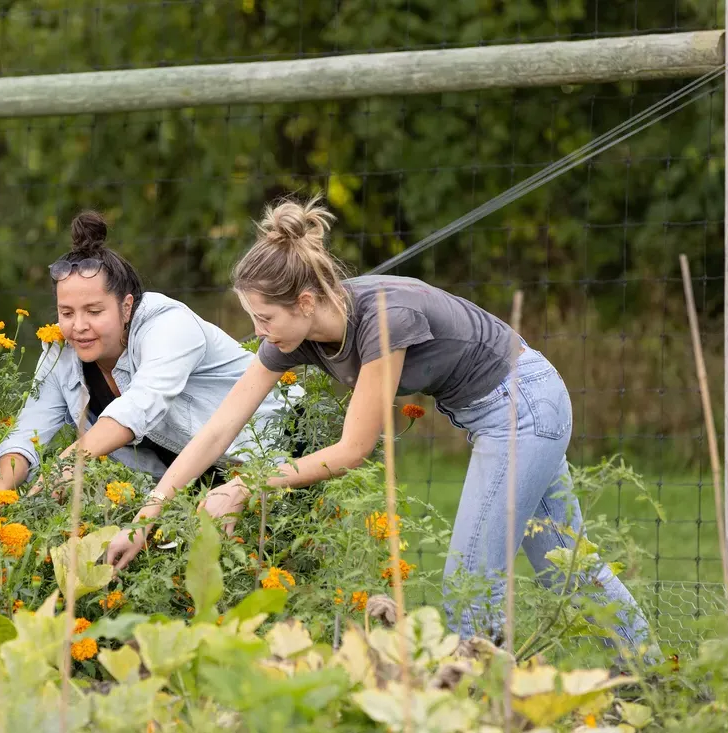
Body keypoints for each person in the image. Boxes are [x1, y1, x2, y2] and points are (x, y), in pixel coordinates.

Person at [105, 196, 649, 649]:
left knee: (469, 585)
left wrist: (246, 484)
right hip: (501, 411)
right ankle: (654, 685)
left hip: (522, 406)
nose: (259, 332)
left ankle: (482, 708)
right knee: (563, 564)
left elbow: (351, 450)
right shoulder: (294, 335)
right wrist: (147, 516)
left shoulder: (384, 319)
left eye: (265, 318)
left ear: (306, 300)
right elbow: (218, 430)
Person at [0, 211, 289, 515]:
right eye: (67, 313)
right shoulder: (61, 350)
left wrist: (67, 466)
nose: (79, 326)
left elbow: (140, 406)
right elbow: (29, 429)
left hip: (278, 453)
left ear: (126, 307)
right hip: (184, 489)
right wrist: (0, 495)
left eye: (94, 311)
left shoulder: (168, 325)